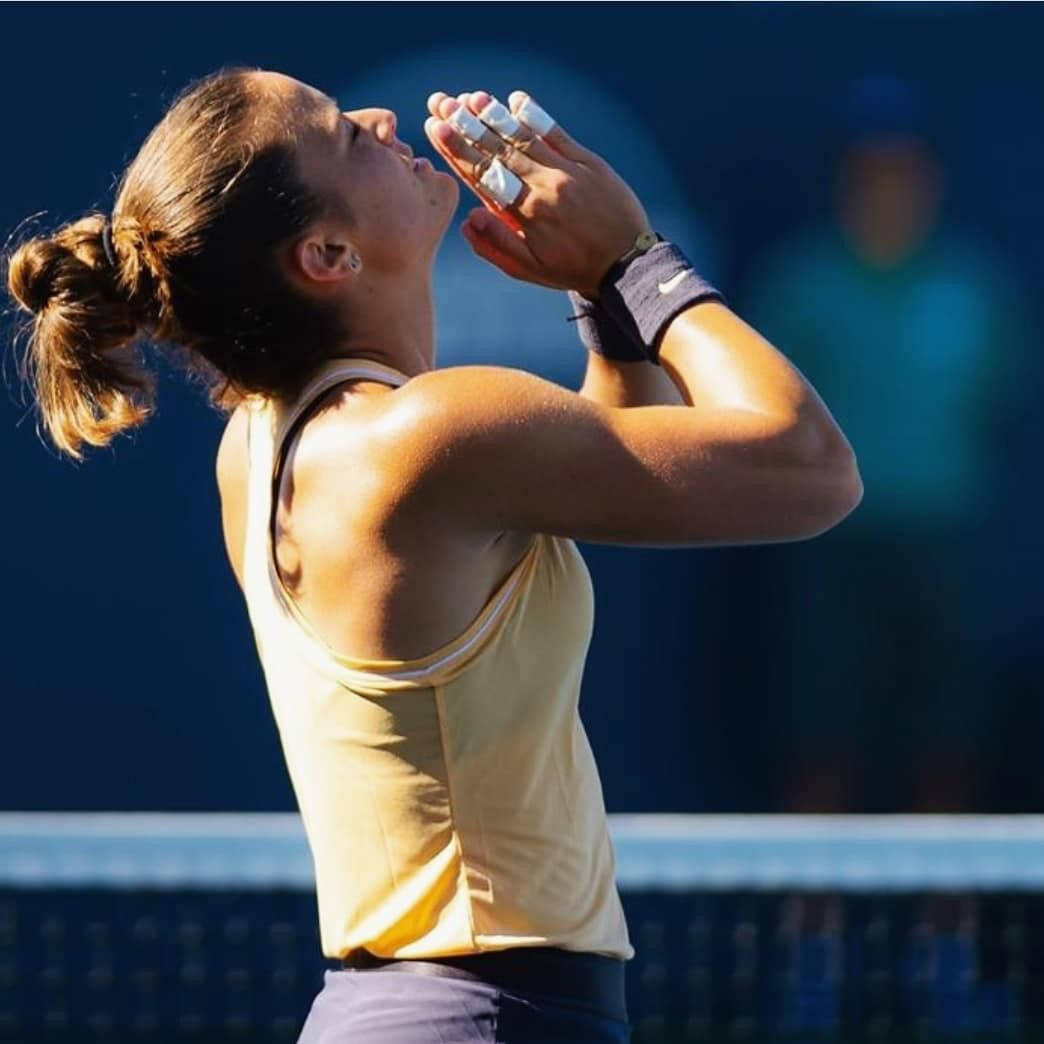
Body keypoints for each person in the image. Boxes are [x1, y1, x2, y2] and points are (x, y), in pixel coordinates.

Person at [4, 67, 861, 1043]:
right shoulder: (424, 438)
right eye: (343, 135)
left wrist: (601, 300)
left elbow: (624, 476)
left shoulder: (259, 445)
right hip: (492, 1020)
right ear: (327, 252)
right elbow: (813, 469)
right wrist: (635, 261)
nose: (376, 118)